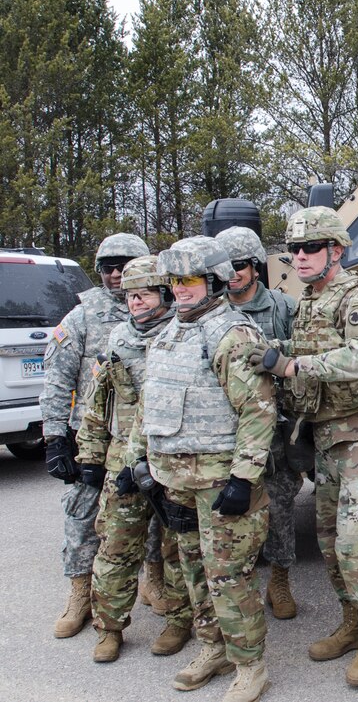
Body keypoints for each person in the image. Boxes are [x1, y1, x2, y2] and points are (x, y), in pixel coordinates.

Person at [248, 206, 358, 688]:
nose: (299, 256)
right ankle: (352, 620)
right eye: (293, 249)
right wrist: (274, 350)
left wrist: (290, 367)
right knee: (331, 539)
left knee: (357, 539)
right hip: (327, 433)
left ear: (336, 249)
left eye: (310, 247)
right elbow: (312, 348)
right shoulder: (309, 299)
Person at [127, 236, 276, 702]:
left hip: (221, 482)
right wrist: (139, 458)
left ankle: (250, 666)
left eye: (190, 279)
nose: (181, 289)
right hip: (176, 482)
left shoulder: (232, 334)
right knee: (193, 569)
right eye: (174, 281)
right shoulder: (169, 333)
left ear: (213, 280)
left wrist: (243, 478)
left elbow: (259, 410)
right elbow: (148, 404)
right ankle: (212, 647)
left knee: (229, 576)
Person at [76, 255, 192, 662]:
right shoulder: (118, 339)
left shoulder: (184, 337)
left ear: (164, 294)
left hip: (171, 462)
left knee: (178, 550)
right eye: (129, 296)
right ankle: (109, 629)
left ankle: (179, 621)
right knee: (116, 548)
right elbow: (98, 402)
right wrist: (90, 455)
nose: (135, 303)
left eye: (143, 295)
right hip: (121, 462)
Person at [40, 232, 150, 638]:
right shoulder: (82, 317)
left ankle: (151, 582)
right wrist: (55, 438)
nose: (117, 274)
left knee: (152, 514)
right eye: (108, 267)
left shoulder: (164, 311)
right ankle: (79, 593)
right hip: (92, 436)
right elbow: (57, 379)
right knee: (82, 513)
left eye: (125, 266)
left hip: (143, 434)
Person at [216, 225, 303, 620]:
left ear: (254, 267)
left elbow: (305, 355)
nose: (231, 274)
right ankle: (240, 584)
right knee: (230, 509)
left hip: (277, 428)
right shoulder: (214, 312)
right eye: (224, 267)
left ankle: (280, 579)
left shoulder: (283, 308)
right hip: (227, 428)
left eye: (238, 266)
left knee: (281, 506)